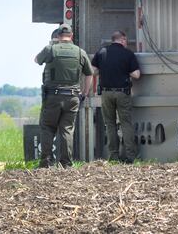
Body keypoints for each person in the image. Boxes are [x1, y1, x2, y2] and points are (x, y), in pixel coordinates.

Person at [35, 24, 93, 168]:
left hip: (52, 97)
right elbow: (89, 74)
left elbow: (36, 60)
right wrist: (84, 93)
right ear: (71, 36)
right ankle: (66, 163)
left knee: (48, 127)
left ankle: (45, 162)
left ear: (58, 36)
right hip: (72, 97)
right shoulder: (80, 52)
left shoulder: (50, 49)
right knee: (67, 129)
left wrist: (52, 45)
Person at [91, 30, 141, 163]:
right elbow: (136, 75)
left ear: (112, 40)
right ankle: (130, 157)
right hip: (122, 93)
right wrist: (125, 70)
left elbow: (93, 71)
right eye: (126, 41)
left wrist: (105, 69)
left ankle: (113, 156)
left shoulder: (101, 52)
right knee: (126, 123)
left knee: (110, 124)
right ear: (123, 40)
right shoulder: (127, 54)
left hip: (106, 93)